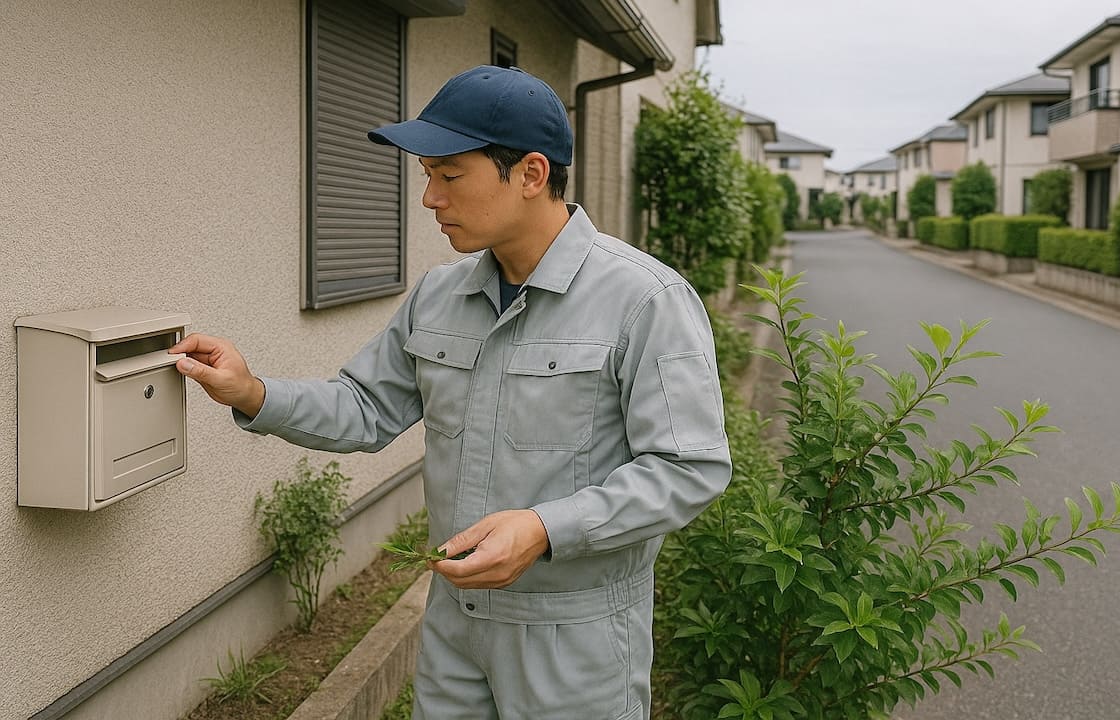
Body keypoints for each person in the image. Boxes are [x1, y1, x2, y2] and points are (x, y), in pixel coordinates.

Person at [170, 64, 731, 719]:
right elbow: (364, 407)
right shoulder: (440, 295)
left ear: (531, 174)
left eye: (450, 176)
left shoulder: (645, 300)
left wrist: (543, 529)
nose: (430, 199)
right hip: (453, 628)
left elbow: (688, 467)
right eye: (427, 176)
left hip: (575, 639)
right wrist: (250, 391)